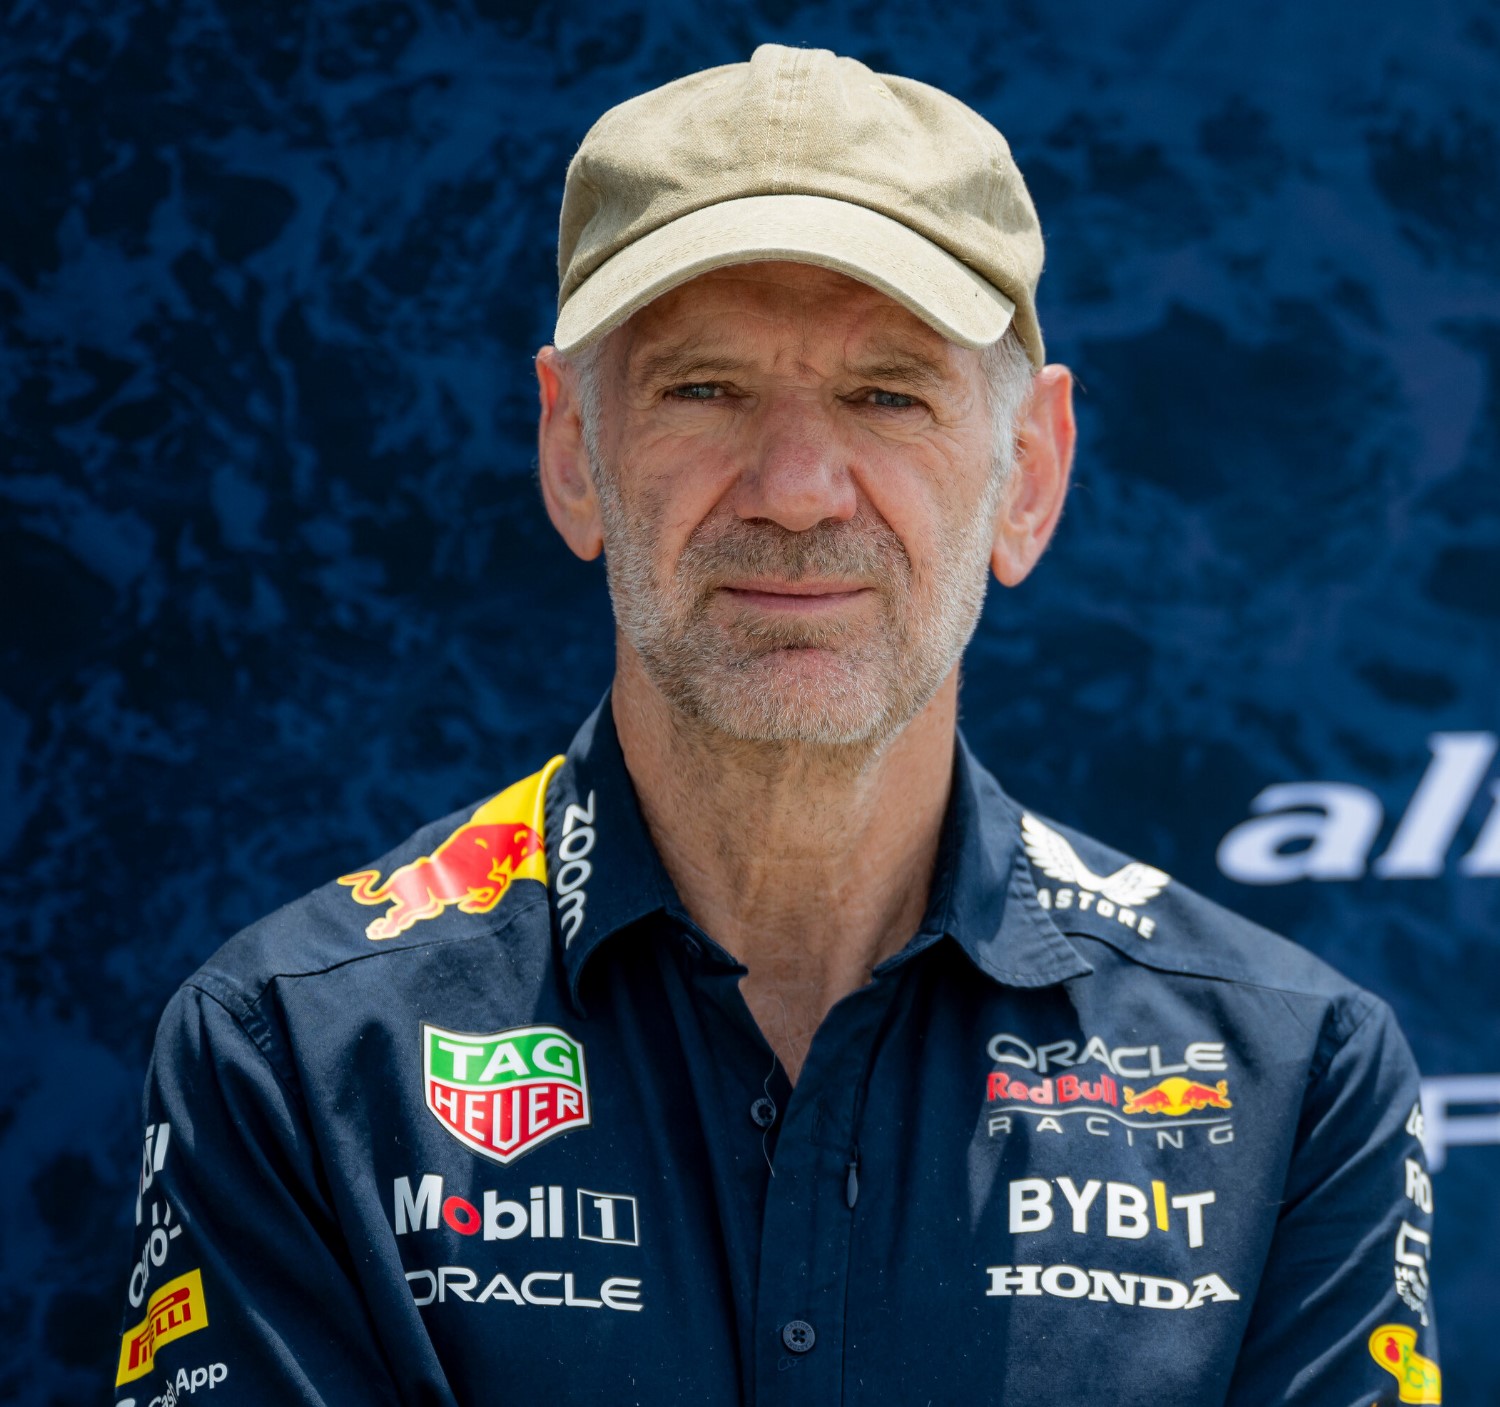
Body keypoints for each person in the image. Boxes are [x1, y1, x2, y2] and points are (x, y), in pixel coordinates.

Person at [114, 44, 1441, 1407]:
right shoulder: (295, 1050)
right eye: (705, 389)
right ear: (573, 454)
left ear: (1028, 475)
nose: (799, 490)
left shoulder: (1293, 1077)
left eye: (886, 395)